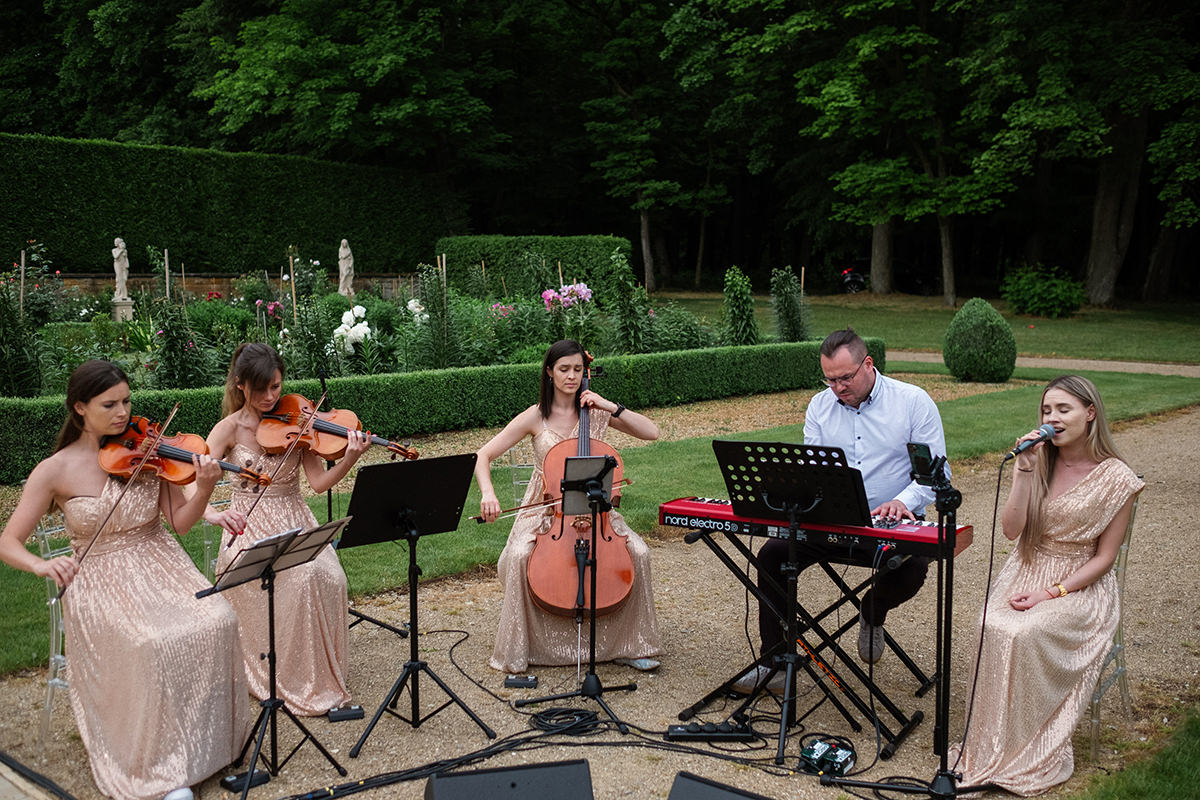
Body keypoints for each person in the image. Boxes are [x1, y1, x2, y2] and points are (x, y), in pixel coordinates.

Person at [0, 360, 249, 800]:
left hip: (161, 564)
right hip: (99, 579)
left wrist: (206, 488)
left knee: (220, 619)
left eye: (127, 401)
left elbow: (182, 523)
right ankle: (157, 768)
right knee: (150, 643)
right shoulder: (53, 470)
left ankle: (208, 748)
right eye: (109, 404)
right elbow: (9, 542)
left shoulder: (151, 452)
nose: (123, 413)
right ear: (79, 408)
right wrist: (41, 565)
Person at [951, 376, 1142, 795]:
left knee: (1026, 630)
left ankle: (1027, 748)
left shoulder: (1118, 478)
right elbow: (1010, 531)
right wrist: (1023, 470)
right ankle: (990, 746)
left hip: (1079, 585)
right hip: (1027, 567)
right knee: (990, 624)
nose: (1052, 418)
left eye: (1063, 409)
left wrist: (1050, 593)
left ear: (1090, 413)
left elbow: (1105, 559)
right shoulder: (1038, 463)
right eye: (1046, 410)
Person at [739, 328, 947, 690]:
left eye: (845, 378)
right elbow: (812, 471)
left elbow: (936, 474)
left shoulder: (913, 402)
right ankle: (774, 660)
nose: (837, 387)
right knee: (772, 555)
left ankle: (873, 610)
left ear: (868, 365)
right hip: (833, 520)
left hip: (891, 525)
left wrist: (903, 501)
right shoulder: (820, 405)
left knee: (912, 567)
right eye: (830, 379)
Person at [475, 339, 663, 673]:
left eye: (578, 369)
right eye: (564, 369)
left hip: (595, 508)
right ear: (549, 372)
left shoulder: (596, 413)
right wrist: (488, 494)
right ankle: (523, 646)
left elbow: (652, 432)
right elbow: (483, 455)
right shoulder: (536, 416)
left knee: (639, 552)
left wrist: (609, 405)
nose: (572, 376)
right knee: (520, 557)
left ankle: (630, 644)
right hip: (545, 510)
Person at [203, 342, 369, 715]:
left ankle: (319, 676)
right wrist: (212, 515)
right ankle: (286, 679)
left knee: (330, 576)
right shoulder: (228, 429)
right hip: (249, 528)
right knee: (298, 581)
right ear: (240, 385)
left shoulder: (296, 419)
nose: (270, 396)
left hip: (295, 519)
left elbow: (320, 482)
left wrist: (351, 458)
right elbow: (188, 482)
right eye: (261, 388)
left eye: (276, 386)